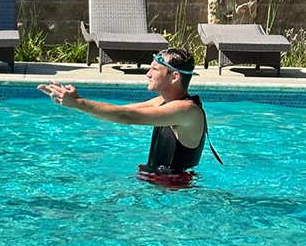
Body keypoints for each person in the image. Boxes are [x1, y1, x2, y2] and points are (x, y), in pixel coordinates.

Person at [38, 48, 222, 180]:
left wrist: (78, 103)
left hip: (175, 195)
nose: (148, 74)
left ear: (174, 77)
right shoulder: (163, 102)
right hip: (158, 185)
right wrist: (75, 104)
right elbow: (120, 111)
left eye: (155, 70)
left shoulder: (187, 111)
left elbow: (127, 117)